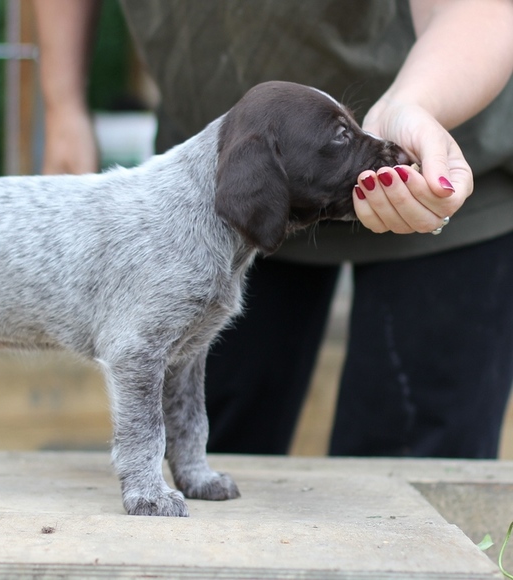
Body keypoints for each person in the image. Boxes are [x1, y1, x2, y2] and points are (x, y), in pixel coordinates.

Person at [32, 0, 513, 458]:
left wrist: (409, 107)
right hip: (227, 202)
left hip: (432, 170)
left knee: (410, 478)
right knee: (205, 461)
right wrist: (62, 104)